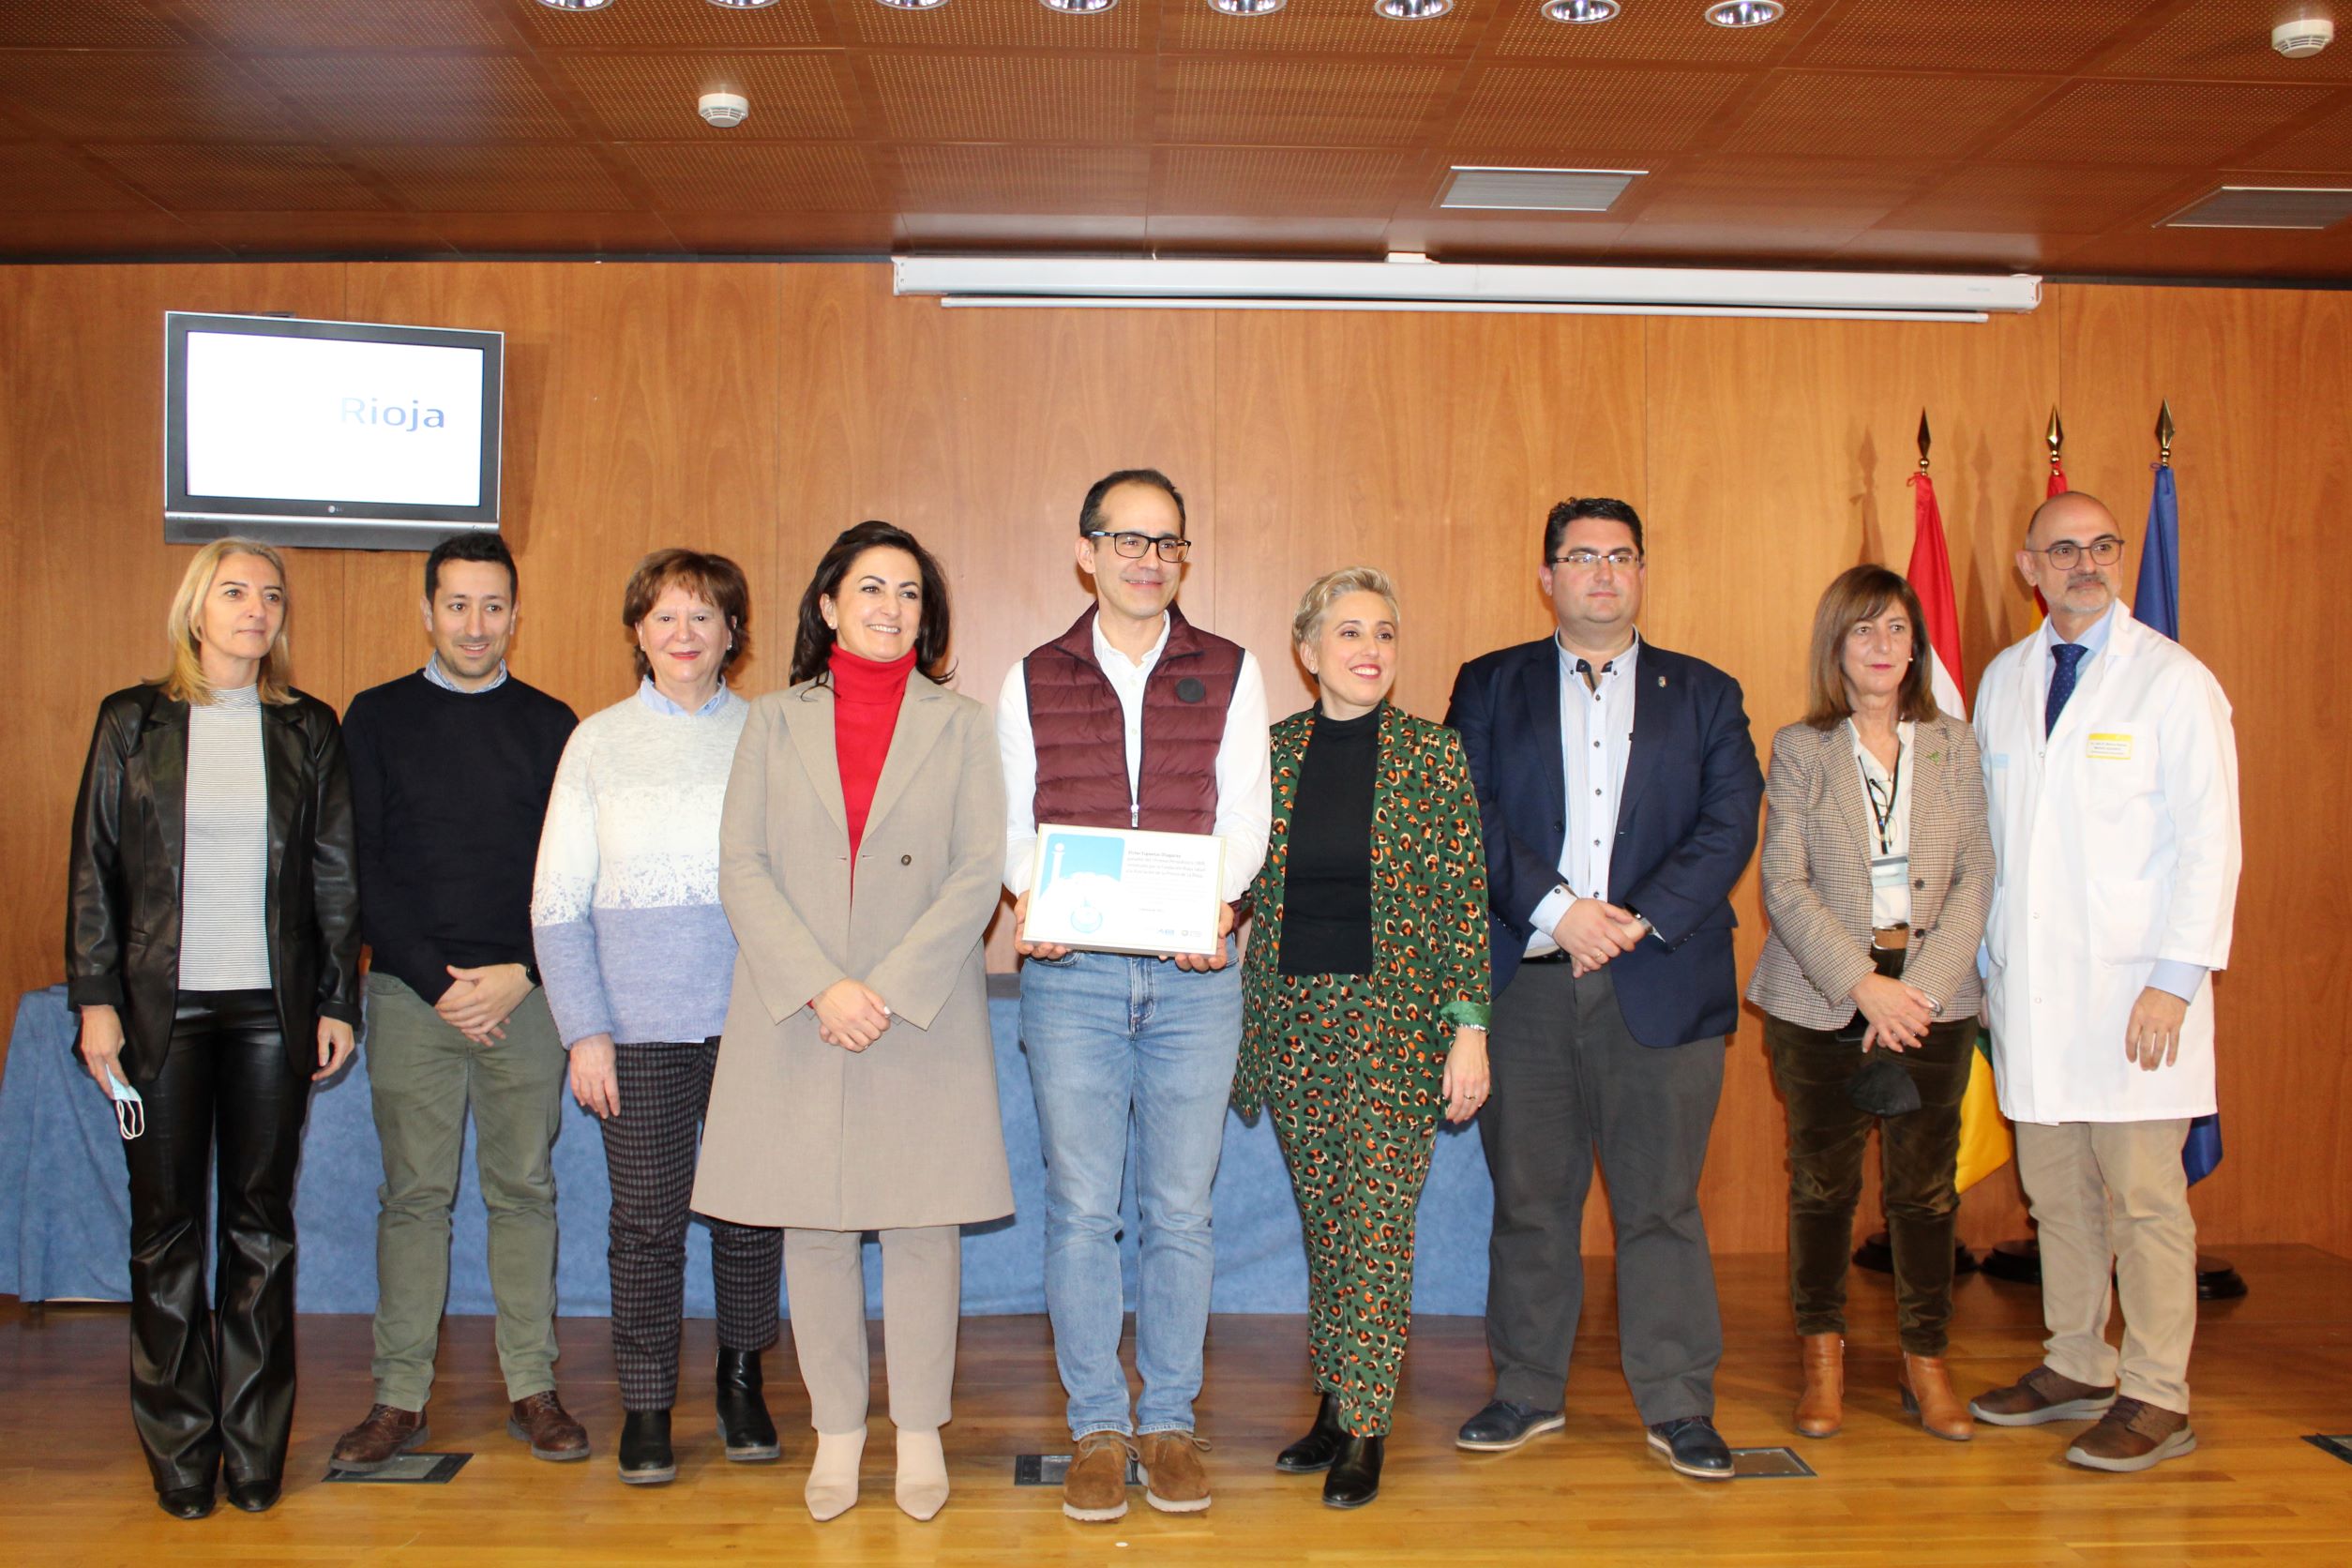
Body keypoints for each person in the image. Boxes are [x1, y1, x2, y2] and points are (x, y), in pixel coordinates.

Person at [693, 521, 1012, 1524]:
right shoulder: (773, 722)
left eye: (910, 592)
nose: (890, 608)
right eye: (870, 588)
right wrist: (824, 984)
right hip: (802, 1006)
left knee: (924, 1228)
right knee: (817, 1230)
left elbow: (978, 872)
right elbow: (740, 864)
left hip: (918, 1009)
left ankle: (919, 1430)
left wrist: (884, 984)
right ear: (828, 605)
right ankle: (837, 1430)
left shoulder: (961, 726)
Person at [1443, 496, 1762, 1480]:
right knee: (1533, 1200)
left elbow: (1730, 818)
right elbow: (1470, 813)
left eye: (1620, 557)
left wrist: (1627, 919)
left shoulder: (1704, 692)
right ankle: (1527, 1389)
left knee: (1659, 1204)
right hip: (1530, 979)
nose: (1602, 574)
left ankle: (1676, 1403)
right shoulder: (1490, 686)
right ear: (1547, 576)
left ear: (1640, 571)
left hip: (1659, 975)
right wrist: (1557, 909)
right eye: (1581, 557)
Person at [997, 468, 1272, 1522]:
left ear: (1183, 560)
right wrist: (1034, 894)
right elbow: (1014, 826)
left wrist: (1220, 904)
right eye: (1128, 540)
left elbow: (1244, 814)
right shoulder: (1030, 676)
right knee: (1081, 1209)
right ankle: (1098, 1427)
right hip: (1071, 980)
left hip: (1196, 977)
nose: (1148, 560)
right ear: (1087, 551)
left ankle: (1170, 1421)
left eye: (1168, 543)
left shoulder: (1233, 670)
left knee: (1180, 1210)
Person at [66, 537, 361, 1519]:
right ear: (197, 608)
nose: (256, 609)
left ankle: (254, 1445)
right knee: (166, 1237)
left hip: (271, 1015)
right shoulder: (131, 721)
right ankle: (181, 1451)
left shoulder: (307, 728)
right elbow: (95, 870)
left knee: (261, 1231)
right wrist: (95, 1001)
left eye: (271, 595)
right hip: (160, 1015)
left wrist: (336, 1001)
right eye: (235, 591)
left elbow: (333, 877)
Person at [1967, 491, 2240, 1472]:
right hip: (2033, 995)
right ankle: (2076, 1361)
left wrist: (2175, 980)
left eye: (2103, 546)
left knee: (2145, 1203)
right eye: (2065, 549)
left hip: (2138, 1001)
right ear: (2027, 566)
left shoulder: (2172, 681)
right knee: (2058, 1198)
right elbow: (1991, 841)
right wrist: (1989, 968)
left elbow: (2213, 844)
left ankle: (2158, 1393)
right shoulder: (2002, 680)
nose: (2086, 563)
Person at [1235, 567, 1492, 1510]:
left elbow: (1467, 903)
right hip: (1297, 1019)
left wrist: (1469, 1032)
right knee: (1328, 1223)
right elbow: (1234, 878)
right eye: (1348, 633)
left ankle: (1368, 1423)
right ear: (1307, 653)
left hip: (1395, 1026)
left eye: (1383, 632)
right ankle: (1337, 1402)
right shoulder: (1271, 754)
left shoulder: (1434, 755)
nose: (1369, 650)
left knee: (1376, 1226)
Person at [331, 533, 585, 1472]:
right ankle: (399, 1397)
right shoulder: (377, 717)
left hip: (526, 994)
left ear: (516, 614)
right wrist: (438, 984)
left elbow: (570, 869)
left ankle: (533, 1385)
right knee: (414, 1200)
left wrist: (523, 968)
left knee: (524, 1190)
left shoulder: (553, 723)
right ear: (427, 610)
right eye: (456, 604)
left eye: (492, 606)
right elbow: (359, 867)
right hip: (410, 997)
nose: (474, 625)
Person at [530, 550, 783, 1486]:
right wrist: (583, 1030)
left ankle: (743, 1381)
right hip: (633, 1032)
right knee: (645, 1222)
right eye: (667, 616)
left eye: (705, 616)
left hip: (755, 1024)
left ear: (731, 635)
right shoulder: (595, 743)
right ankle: (645, 1404)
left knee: (751, 1217)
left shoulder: (769, 736)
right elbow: (555, 901)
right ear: (639, 630)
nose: (685, 634)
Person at [1747, 565, 1994, 1444]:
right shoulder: (1802, 747)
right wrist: (1862, 985)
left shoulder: (1955, 745)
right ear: (1836, 648)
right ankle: (1824, 1359)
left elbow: (1977, 876)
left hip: (1934, 1001)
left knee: (1925, 1196)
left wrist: (1915, 992)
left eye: (1896, 629)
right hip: (1822, 1002)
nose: (1882, 646)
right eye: (1863, 631)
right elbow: (1784, 879)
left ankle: (1926, 1362)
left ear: (1916, 645)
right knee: (1822, 1187)